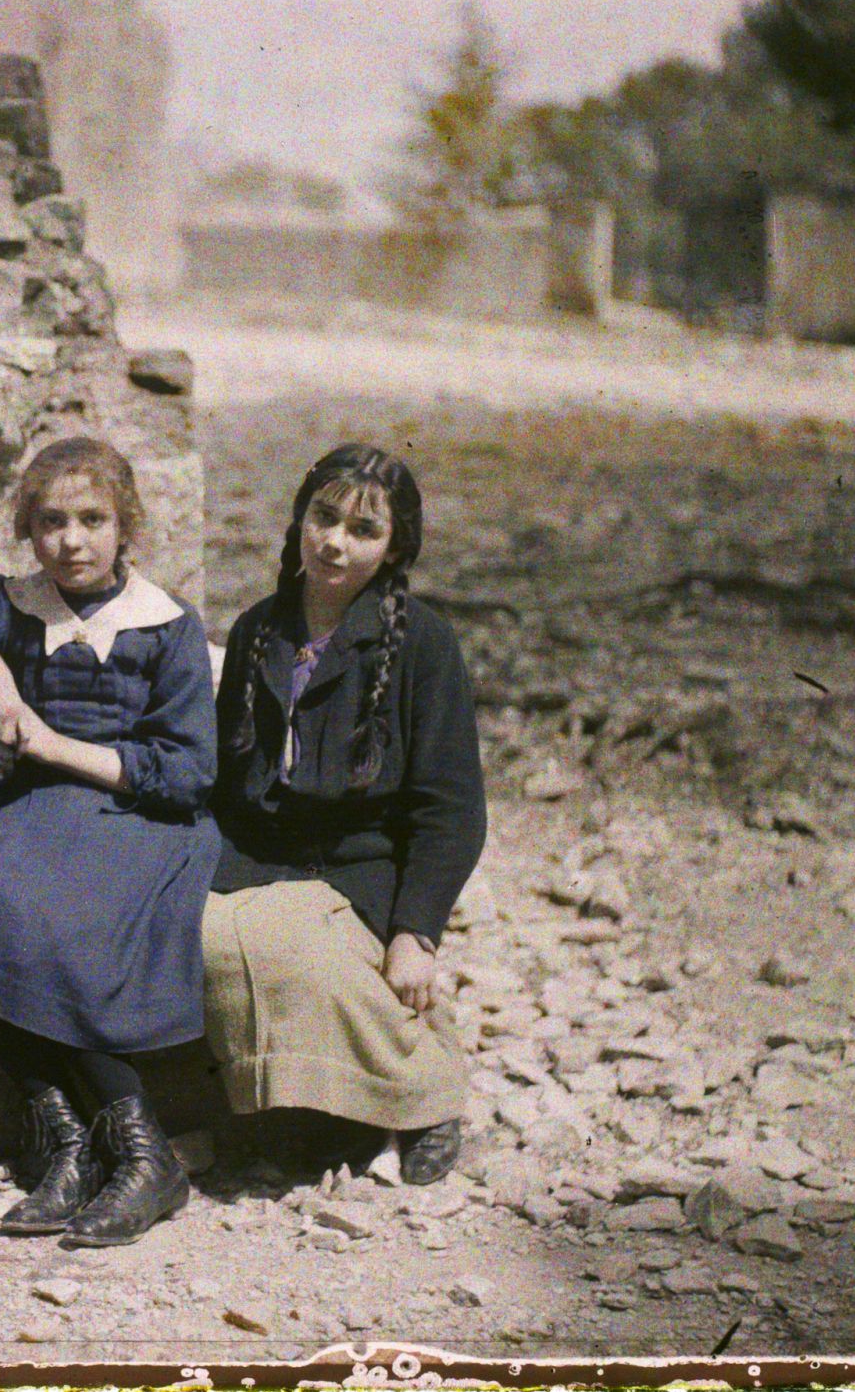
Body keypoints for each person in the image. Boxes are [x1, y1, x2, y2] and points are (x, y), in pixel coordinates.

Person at [0, 437, 220, 1249]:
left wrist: (53, 745)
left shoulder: (164, 625)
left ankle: (141, 1150)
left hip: (138, 816)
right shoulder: (13, 603)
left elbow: (189, 771)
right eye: (52, 521)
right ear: (29, 529)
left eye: (93, 519)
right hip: (33, 810)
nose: (73, 540)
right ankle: (64, 1138)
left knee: (59, 920)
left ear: (124, 525)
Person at [202, 443, 487, 1185]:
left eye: (362, 530)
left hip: (362, 867)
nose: (333, 541)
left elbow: (451, 807)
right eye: (323, 517)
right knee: (195, 934)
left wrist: (417, 930)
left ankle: (418, 1093)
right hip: (260, 857)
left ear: (394, 548)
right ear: (300, 518)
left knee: (276, 941)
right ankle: (292, 1114)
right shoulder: (256, 630)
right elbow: (225, 780)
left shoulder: (423, 641)